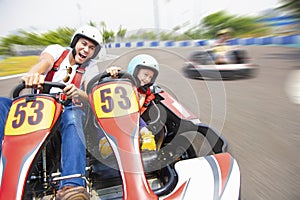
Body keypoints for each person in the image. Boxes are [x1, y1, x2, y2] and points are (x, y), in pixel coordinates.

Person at [0, 25, 102, 199]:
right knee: (2, 104)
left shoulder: (92, 67)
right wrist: (34, 75)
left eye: (91, 48)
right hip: (40, 107)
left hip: (67, 109)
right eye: (83, 44)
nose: (86, 50)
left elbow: (91, 96)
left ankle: (72, 185)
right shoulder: (56, 51)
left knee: (72, 115)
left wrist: (77, 93)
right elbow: (44, 63)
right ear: (75, 42)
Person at [99, 54, 159, 158]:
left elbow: (137, 110)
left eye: (150, 77)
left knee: (145, 131)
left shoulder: (143, 91)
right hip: (111, 116)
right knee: (105, 130)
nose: (147, 79)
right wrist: (112, 73)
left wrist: (142, 95)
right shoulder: (120, 79)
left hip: (132, 116)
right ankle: (106, 144)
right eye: (145, 74)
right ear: (135, 71)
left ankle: (146, 151)